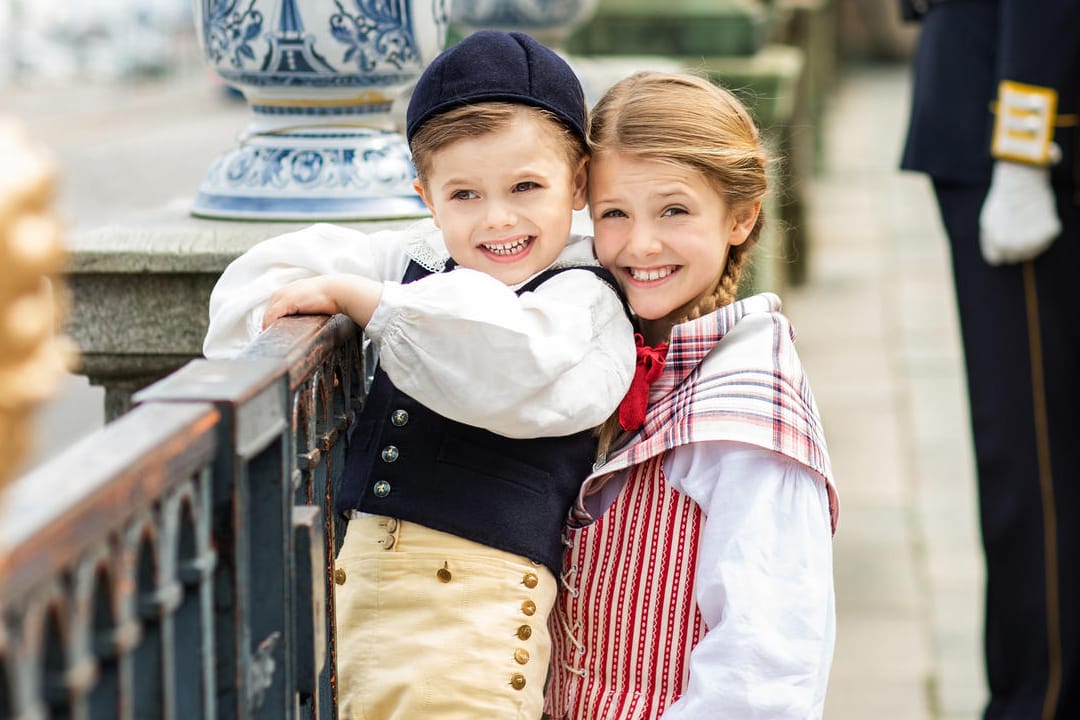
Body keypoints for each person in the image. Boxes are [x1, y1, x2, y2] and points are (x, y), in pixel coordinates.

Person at [202, 30, 637, 720]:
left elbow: (511, 364)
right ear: (426, 197)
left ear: (578, 183)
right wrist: (319, 297)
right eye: (464, 194)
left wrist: (368, 302)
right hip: (366, 599)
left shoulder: (581, 296)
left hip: (472, 614)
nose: (498, 218)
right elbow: (260, 281)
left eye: (527, 186)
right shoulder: (420, 260)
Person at [544, 71, 840, 720]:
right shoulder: (607, 356)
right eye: (613, 213)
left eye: (674, 210)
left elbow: (764, 673)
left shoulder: (748, 414)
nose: (640, 243)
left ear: (741, 216)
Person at [900, 1, 1080, 717]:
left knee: (1032, 456)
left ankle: (1040, 699)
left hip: (1017, 125)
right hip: (990, 101)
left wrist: (1024, 147)